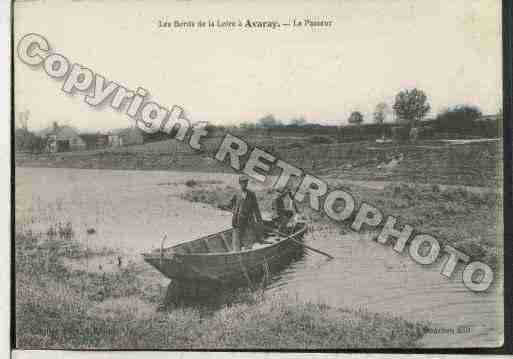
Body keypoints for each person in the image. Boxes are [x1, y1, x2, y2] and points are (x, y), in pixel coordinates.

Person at [229, 175, 263, 251]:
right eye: (243, 182)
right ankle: (236, 254)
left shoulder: (251, 194)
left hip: (248, 222)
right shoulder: (236, 194)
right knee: (236, 244)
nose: (244, 184)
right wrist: (224, 206)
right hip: (237, 222)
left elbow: (256, 209)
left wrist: (260, 221)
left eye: (246, 182)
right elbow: (230, 205)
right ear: (240, 183)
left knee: (248, 243)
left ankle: (247, 252)